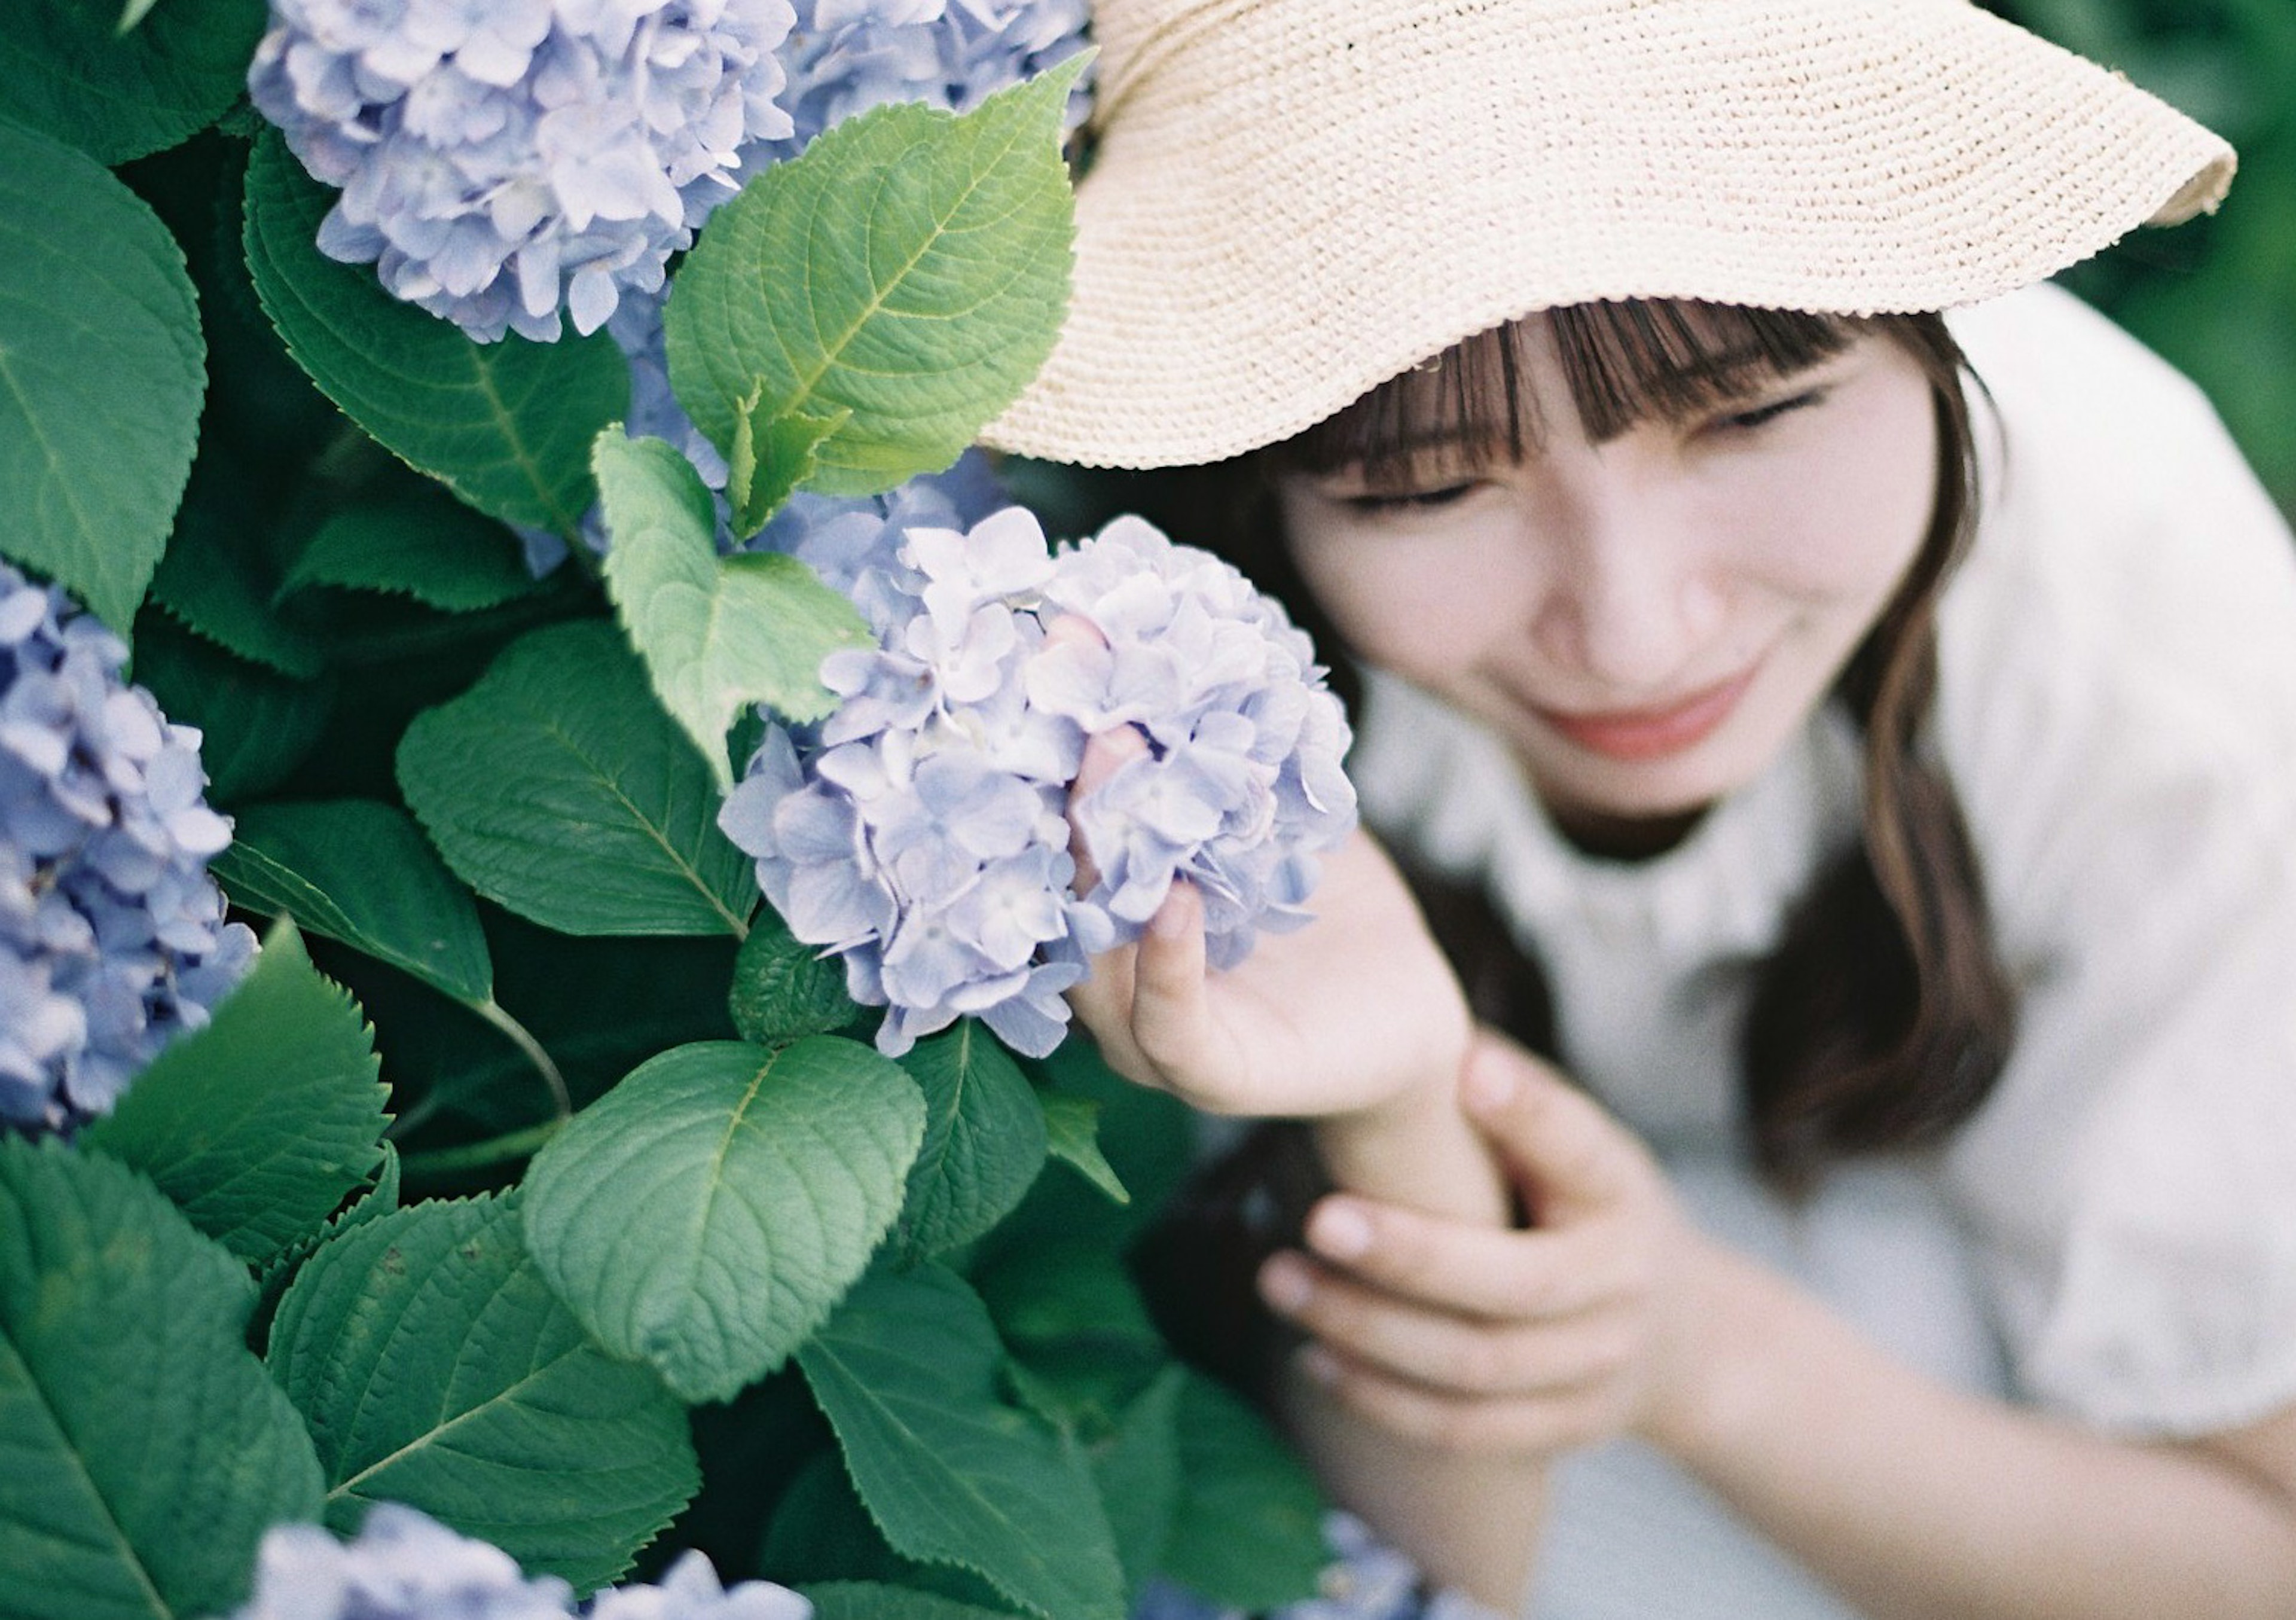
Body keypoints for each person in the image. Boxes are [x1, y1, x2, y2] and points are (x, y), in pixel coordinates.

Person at [981, 1, 2296, 1616]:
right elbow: (1423, 1572)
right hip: (1466, 1380)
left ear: (1935, 316)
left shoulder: (2160, 664)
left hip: (1954, 1379)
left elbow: (2258, 1554)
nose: (1632, 633)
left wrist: (1692, 1346)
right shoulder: (1139, 640)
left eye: (1756, 414)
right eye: (1429, 491)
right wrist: (1401, 1112)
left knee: (1900, 1295)